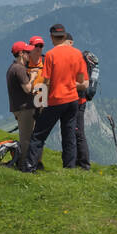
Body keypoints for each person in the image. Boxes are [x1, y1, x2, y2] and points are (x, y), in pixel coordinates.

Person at [21, 24, 89, 172]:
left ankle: (29, 167)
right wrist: (70, 84)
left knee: (38, 135)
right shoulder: (77, 54)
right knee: (69, 134)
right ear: (64, 37)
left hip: (56, 100)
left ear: (52, 37)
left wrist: (40, 101)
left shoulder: (51, 55)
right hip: (73, 101)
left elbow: (46, 81)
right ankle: (69, 168)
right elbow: (83, 82)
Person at [63, 32, 93, 169]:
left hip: (78, 101)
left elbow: (83, 82)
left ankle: (84, 164)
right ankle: (76, 162)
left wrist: (66, 83)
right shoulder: (77, 58)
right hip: (77, 101)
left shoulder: (78, 59)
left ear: (70, 42)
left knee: (78, 132)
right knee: (75, 131)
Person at [6, 41, 36, 165]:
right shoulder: (19, 69)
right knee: (27, 138)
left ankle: (26, 162)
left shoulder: (13, 67)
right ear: (21, 53)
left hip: (19, 108)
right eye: (27, 52)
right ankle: (25, 165)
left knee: (26, 136)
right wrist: (33, 76)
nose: (30, 54)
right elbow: (27, 89)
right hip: (25, 109)